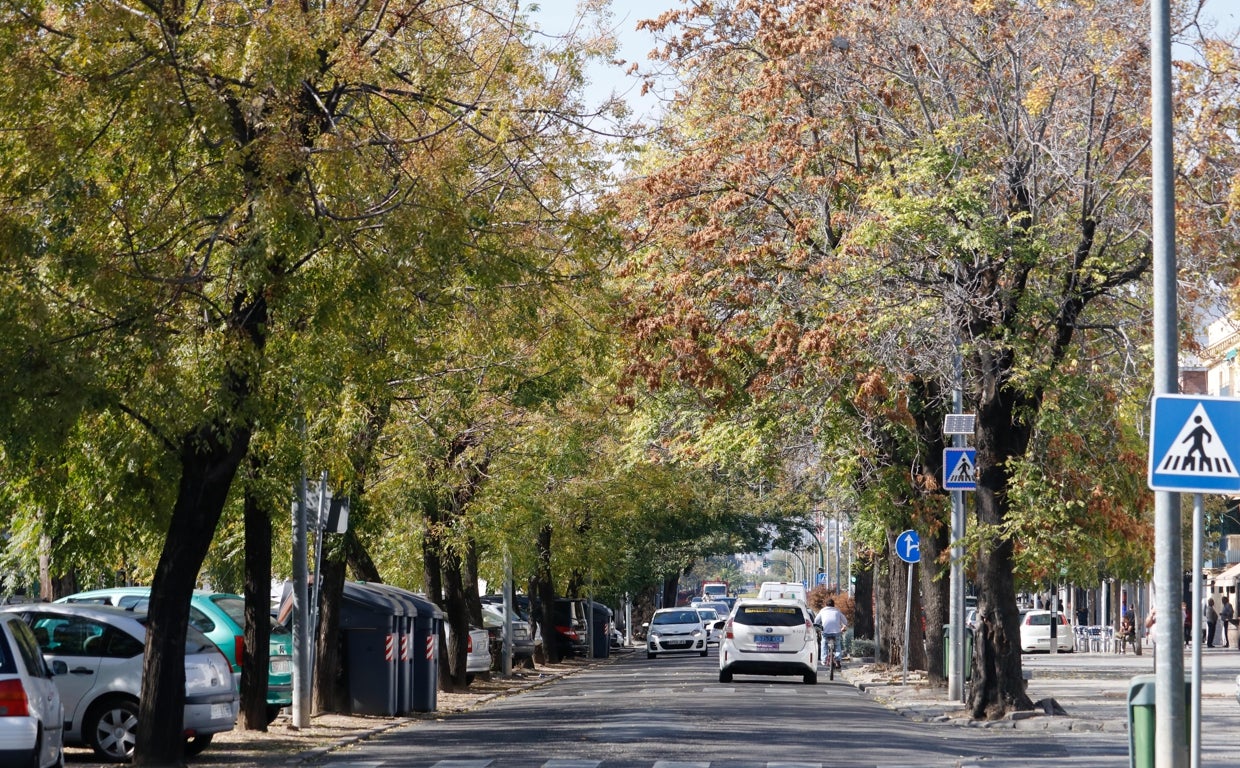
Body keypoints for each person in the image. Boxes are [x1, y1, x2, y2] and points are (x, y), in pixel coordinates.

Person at [815, 598, 848, 668]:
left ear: (826, 605)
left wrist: (818, 628)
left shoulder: (822, 611)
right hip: (836, 632)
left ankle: (824, 660)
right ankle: (838, 660)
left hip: (826, 632)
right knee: (837, 645)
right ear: (833, 605)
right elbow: (845, 622)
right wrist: (843, 627)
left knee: (824, 644)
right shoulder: (837, 611)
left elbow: (816, 621)